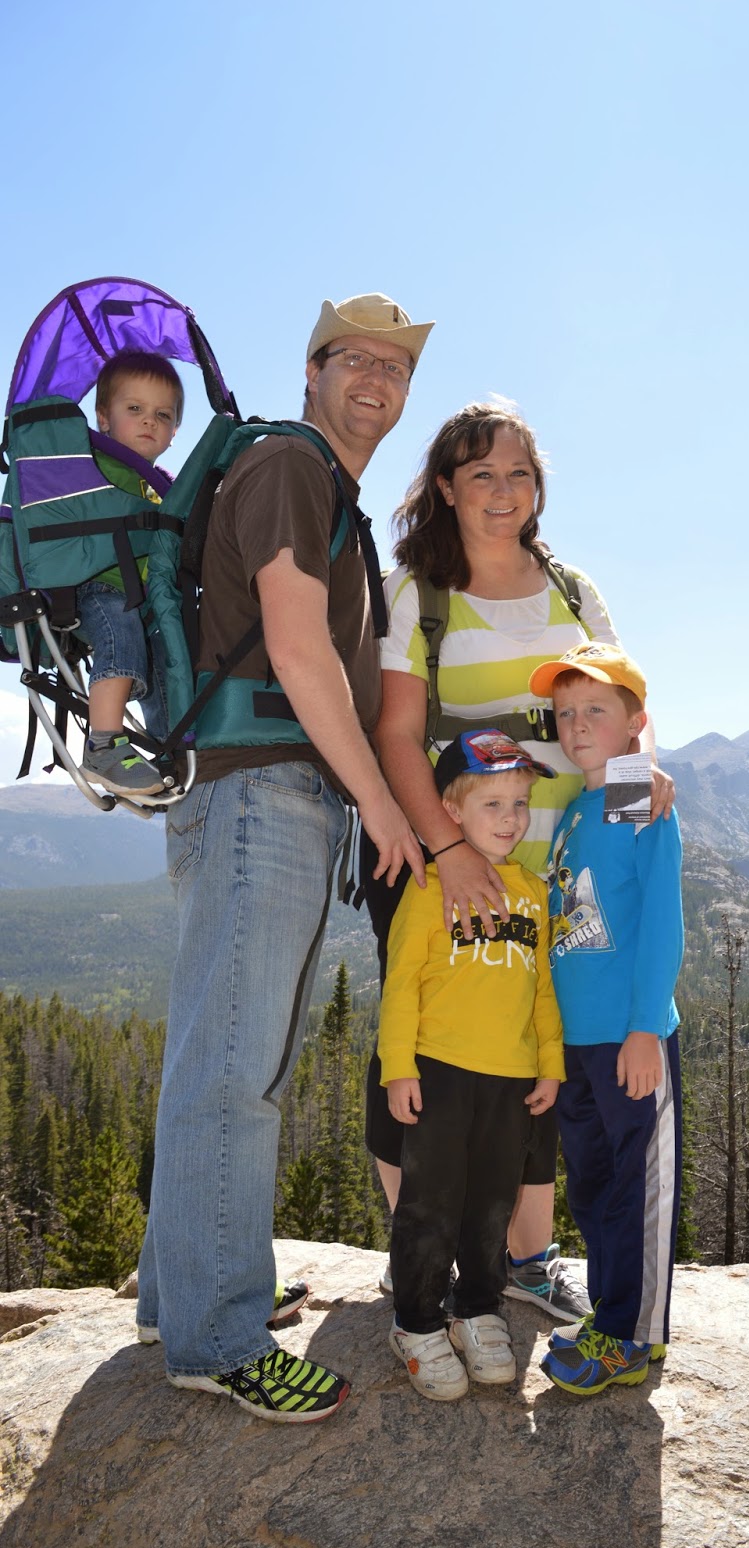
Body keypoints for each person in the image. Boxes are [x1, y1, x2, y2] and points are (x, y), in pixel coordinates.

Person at [135, 293, 431, 1423]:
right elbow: (299, 651)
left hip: (261, 795)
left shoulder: (316, 486)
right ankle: (218, 1335)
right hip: (264, 793)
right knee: (236, 1068)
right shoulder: (292, 467)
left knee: (221, 1050)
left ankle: (179, 1293)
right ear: (311, 372)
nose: (376, 379)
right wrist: (382, 806)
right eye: (355, 359)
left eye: (395, 367)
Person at [370, 400, 668, 1323]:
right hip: (444, 861)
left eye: (519, 474)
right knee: (426, 1041)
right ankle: (417, 1256)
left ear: (539, 487)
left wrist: (637, 816)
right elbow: (396, 733)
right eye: (481, 474)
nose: (502, 492)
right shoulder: (417, 591)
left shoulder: (574, 591)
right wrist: (452, 850)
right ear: (446, 487)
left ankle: (523, 1263)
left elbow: (621, 711)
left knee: (539, 1054)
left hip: (562, 872)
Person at [381, 730, 564, 1400]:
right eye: (493, 803)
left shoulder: (534, 893)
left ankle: (478, 1308)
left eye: (519, 803)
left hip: (511, 1079)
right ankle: (415, 1321)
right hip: (440, 1072)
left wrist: (549, 1065)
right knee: (430, 1204)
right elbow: (402, 982)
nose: (512, 818)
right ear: (451, 811)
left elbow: (542, 989)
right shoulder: (429, 886)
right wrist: (398, 1067)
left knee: (492, 1204)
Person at [528, 641, 684, 1396]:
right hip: (578, 1042)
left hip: (629, 1037)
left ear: (635, 723)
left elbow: (660, 918)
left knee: (638, 1185)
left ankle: (634, 1334)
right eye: (564, 713)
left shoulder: (631, 796)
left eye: (596, 709)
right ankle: (612, 1314)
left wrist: (646, 1026)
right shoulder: (575, 807)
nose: (577, 724)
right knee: (593, 1186)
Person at [78, 352, 182, 796]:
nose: (149, 421)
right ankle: (103, 745)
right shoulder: (94, 464)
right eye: (134, 408)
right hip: (96, 584)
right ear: (104, 418)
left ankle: (169, 747)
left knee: (167, 655)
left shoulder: (162, 486)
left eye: (163, 415)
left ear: (174, 432)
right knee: (121, 632)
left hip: (144, 598)